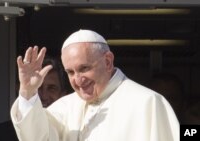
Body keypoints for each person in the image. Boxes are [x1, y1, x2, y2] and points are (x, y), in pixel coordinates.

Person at [11, 29, 179, 141]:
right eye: (70, 72)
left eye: (84, 68)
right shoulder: (64, 107)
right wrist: (28, 92)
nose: (77, 80)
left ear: (107, 61)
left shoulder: (147, 103)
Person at [0, 57, 67, 141]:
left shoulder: (71, 132)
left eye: (51, 88)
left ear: (63, 95)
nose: (44, 96)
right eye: (38, 87)